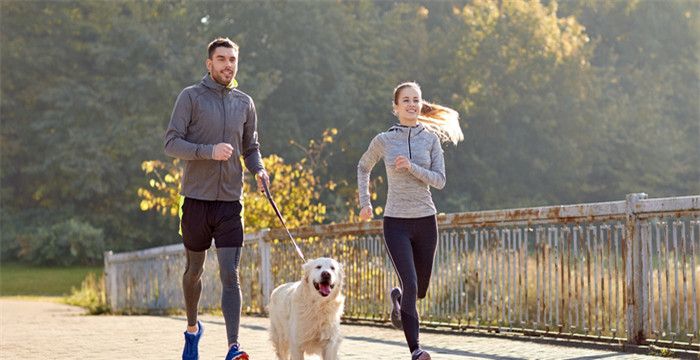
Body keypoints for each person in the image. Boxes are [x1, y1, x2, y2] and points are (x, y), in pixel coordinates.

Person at [164, 37, 269, 360]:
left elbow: (250, 149)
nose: (227, 65)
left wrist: (260, 171)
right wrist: (208, 152)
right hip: (195, 200)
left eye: (232, 60)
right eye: (221, 59)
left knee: (229, 274)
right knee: (194, 270)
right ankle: (193, 330)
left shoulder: (244, 103)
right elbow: (171, 143)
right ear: (209, 64)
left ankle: (233, 347)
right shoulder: (191, 97)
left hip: (229, 202)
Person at [357, 82, 463, 360]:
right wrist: (366, 203)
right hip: (396, 222)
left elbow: (440, 181)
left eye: (416, 100)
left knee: (420, 290)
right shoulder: (384, 139)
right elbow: (363, 166)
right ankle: (416, 349)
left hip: (426, 220)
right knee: (411, 283)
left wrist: (412, 168)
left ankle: (398, 299)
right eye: (406, 100)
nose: (412, 104)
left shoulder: (430, 139)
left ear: (420, 104)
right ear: (396, 107)